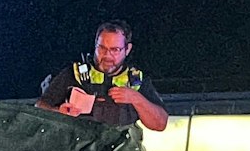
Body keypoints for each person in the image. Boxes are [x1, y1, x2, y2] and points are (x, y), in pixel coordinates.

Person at [37, 21, 168, 131]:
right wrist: (58, 112)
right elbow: (39, 107)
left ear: (127, 49)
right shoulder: (74, 74)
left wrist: (136, 98)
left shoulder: (136, 80)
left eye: (115, 50)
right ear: (95, 45)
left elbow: (160, 124)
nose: (107, 55)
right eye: (102, 48)